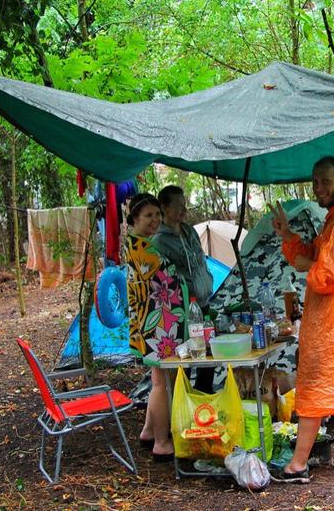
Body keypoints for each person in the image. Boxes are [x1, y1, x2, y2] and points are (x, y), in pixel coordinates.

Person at [269, 156, 334, 483]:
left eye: (325, 181)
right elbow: (317, 252)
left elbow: (331, 273)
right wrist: (287, 233)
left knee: (314, 388)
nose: (319, 188)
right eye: (315, 181)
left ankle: (297, 465)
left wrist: (304, 267)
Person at [125, 193, 187, 461]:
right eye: (148, 216)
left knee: (157, 381)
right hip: (158, 327)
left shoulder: (136, 245)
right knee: (162, 382)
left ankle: (150, 431)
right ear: (135, 219)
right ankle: (162, 442)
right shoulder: (145, 251)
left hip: (153, 324)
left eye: (157, 215)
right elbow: (166, 282)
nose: (155, 220)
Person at [152, 185, 215, 393]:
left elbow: (200, 260)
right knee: (186, 357)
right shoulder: (160, 241)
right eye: (178, 206)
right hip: (183, 309)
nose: (183, 210)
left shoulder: (189, 231)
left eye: (184, 205)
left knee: (209, 353)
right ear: (164, 208)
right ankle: (184, 402)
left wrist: (207, 279)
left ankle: (205, 396)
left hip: (203, 303)